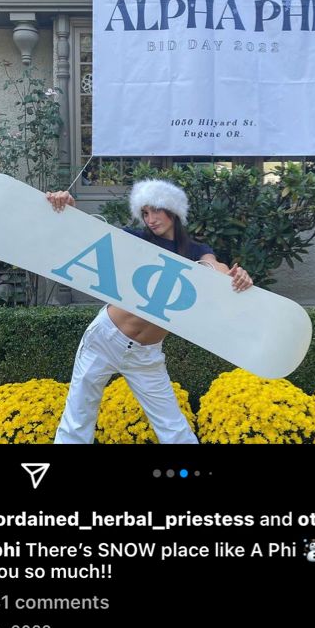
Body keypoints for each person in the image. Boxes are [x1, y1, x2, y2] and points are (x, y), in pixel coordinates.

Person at [46, 178, 253, 444]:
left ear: (173, 211)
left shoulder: (195, 251)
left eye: (156, 210)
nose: (150, 219)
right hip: (105, 338)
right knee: (77, 421)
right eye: (145, 213)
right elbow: (92, 234)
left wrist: (235, 278)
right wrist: (68, 208)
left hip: (146, 354)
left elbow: (213, 266)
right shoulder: (137, 239)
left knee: (174, 429)